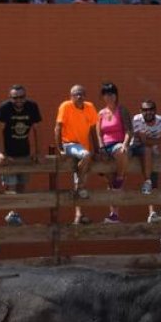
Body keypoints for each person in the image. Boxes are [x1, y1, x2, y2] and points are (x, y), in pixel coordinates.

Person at [0, 84, 42, 220]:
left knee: (22, 184)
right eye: (15, 98)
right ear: (10, 98)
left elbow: (37, 130)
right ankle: (12, 212)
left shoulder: (32, 107)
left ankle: (15, 212)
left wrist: (38, 152)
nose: (19, 100)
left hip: (24, 151)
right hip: (8, 153)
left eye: (22, 97)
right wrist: (1, 152)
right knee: (11, 184)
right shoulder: (4, 109)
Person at [55, 84, 99, 224]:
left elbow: (93, 130)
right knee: (86, 156)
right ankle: (79, 184)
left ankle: (79, 215)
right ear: (71, 96)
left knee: (82, 184)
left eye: (81, 94)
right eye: (76, 94)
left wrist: (97, 150)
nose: (79, 96)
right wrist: (60, 148)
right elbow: (57, 128)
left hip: (83, 147)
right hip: (70, 144)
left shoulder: (90, 107)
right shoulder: (66, 106)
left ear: (85, 95)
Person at [95, 83, 131, 211]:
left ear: (116, 95)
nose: (109, 97)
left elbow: (128, 130)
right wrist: (101, 147)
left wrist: (125, 145)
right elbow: (98, 133)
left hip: (118, 144)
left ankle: (120, 176)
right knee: (111, 184)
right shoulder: (100, 113)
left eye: (111, 94)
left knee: (120, 152)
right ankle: (113, 214)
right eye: (106, 94)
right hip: (105, 147)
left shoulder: (122, 110)